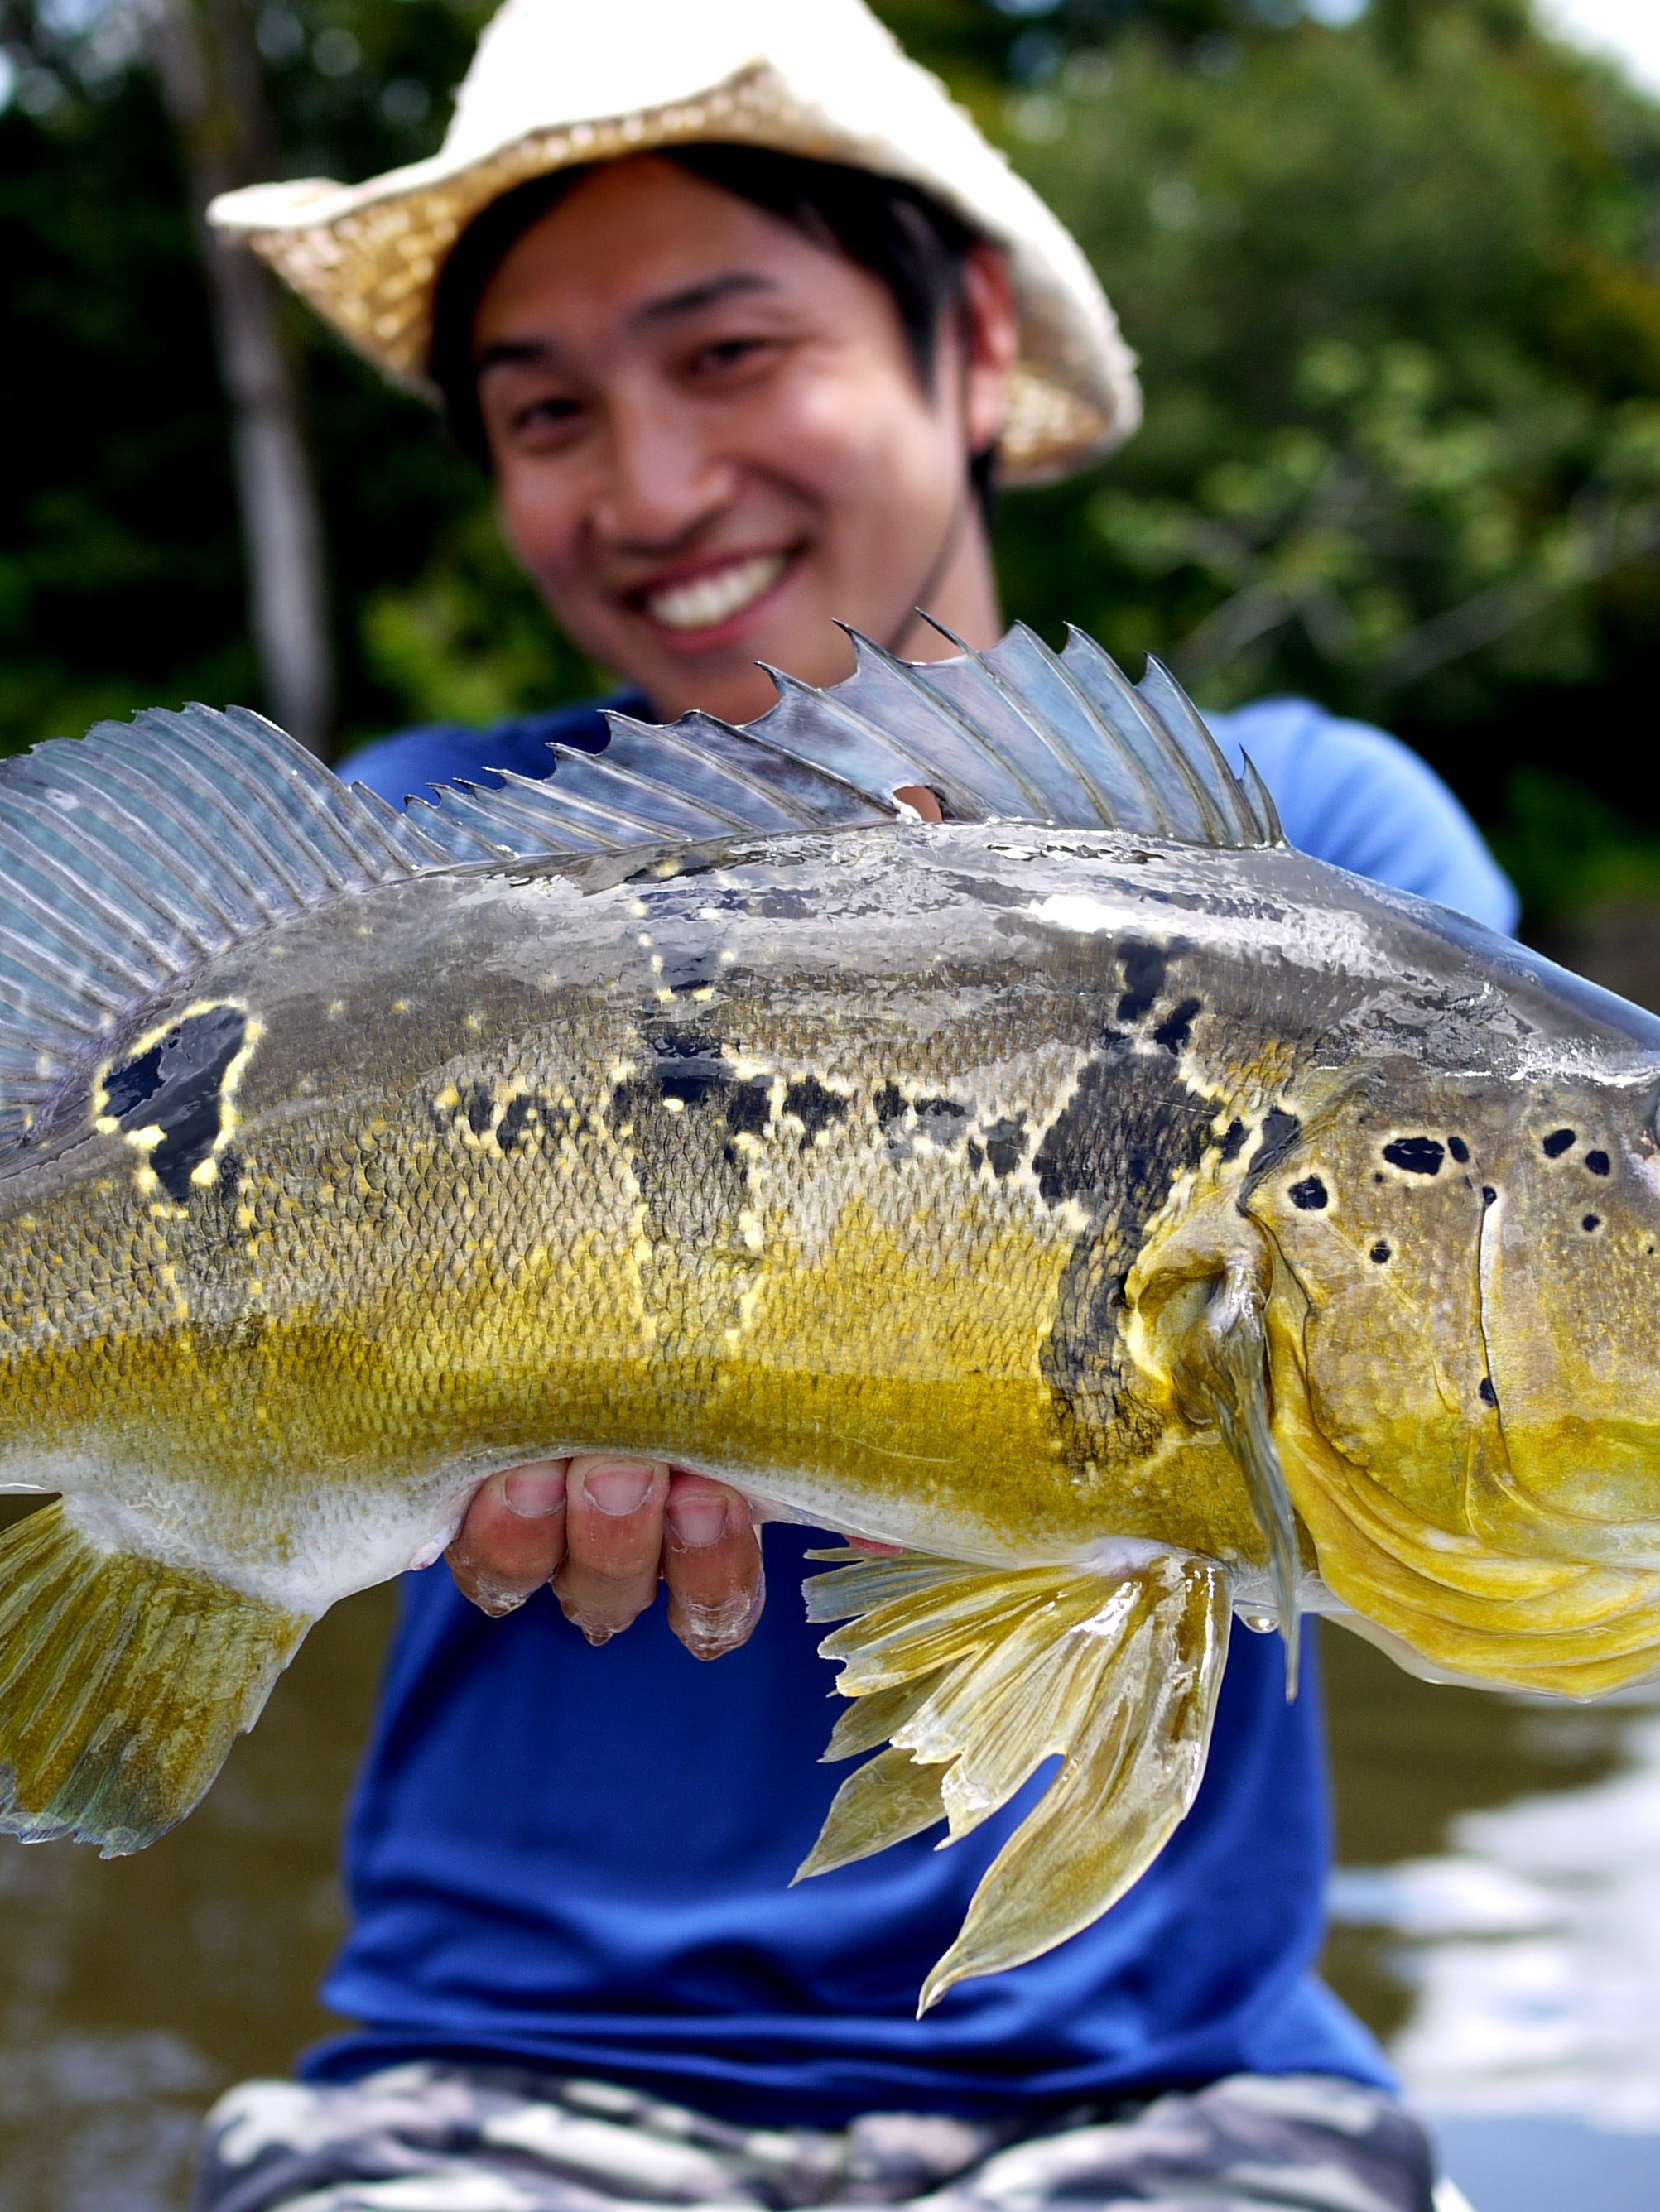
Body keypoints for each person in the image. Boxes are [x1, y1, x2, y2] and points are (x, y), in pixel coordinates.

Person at [196, 3, 1513, 2205]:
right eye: (545, 412)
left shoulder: (1320, 853)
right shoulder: (407, 869)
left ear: (973, 346)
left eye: (729, 355)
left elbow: (1460, 1446)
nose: (647, 487)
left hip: (1172, 2084)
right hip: (500, 2072)